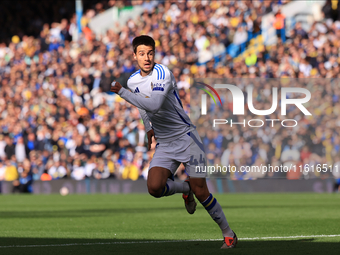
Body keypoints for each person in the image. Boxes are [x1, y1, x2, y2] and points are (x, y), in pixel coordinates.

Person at [111, 35, 237, 249]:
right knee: (154, 187)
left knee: (202, 192)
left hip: (187, 139)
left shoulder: (162, 73)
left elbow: (156, 104)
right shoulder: (133, 80)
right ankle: (184, 189)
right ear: (134, 56)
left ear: (154, 54)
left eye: (150, 53)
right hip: (165, 144)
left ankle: (228, 233)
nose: (146, 57)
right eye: (141, 53)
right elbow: (143, 106)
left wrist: (122, 92)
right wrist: (149, 127)